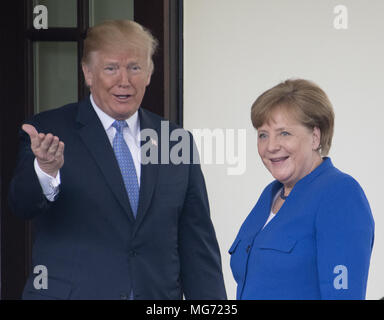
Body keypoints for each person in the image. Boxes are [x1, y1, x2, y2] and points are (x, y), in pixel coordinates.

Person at [8, 20, 226, 300]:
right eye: (111, 68)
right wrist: (46, 170)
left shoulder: (174, 139)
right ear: (88, 73)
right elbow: (22, 205)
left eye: (135, 68)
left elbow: (197, 242)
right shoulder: (48, 131)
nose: (124, 80)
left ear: (149, 73)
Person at [229, 79, 374, 300]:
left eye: (284, 133)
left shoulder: (340, 195)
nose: (271, 146)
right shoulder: (270, 194)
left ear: (315, 137)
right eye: (263, 135)